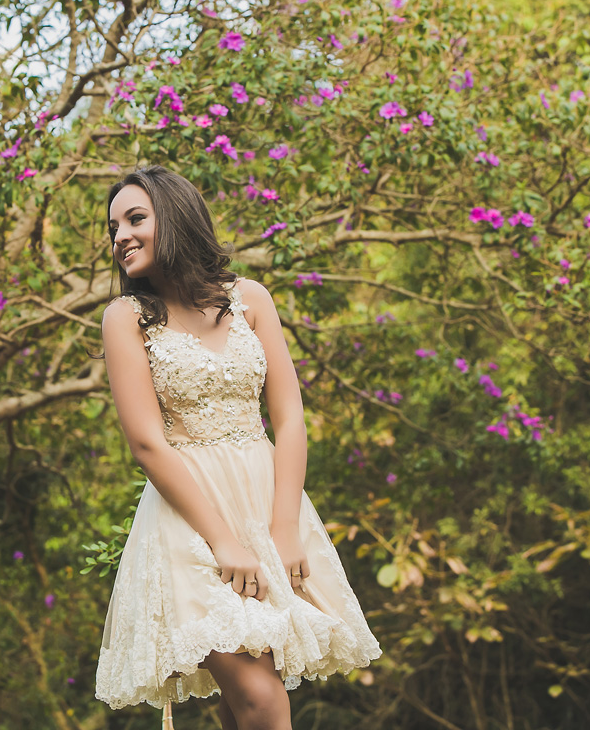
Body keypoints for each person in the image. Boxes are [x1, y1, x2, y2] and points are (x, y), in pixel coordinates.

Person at [94, 166, 381, 729]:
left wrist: (283, 529)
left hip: (267, 501)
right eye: (113, 228)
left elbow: (290, 416)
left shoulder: (250, 299)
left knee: (246, 699)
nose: (120, 236)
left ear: (174, 218)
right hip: (189, 517)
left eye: (135, 219)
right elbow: (149, 444)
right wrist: (223, 540)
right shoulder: (125, 318)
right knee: (261, 699)